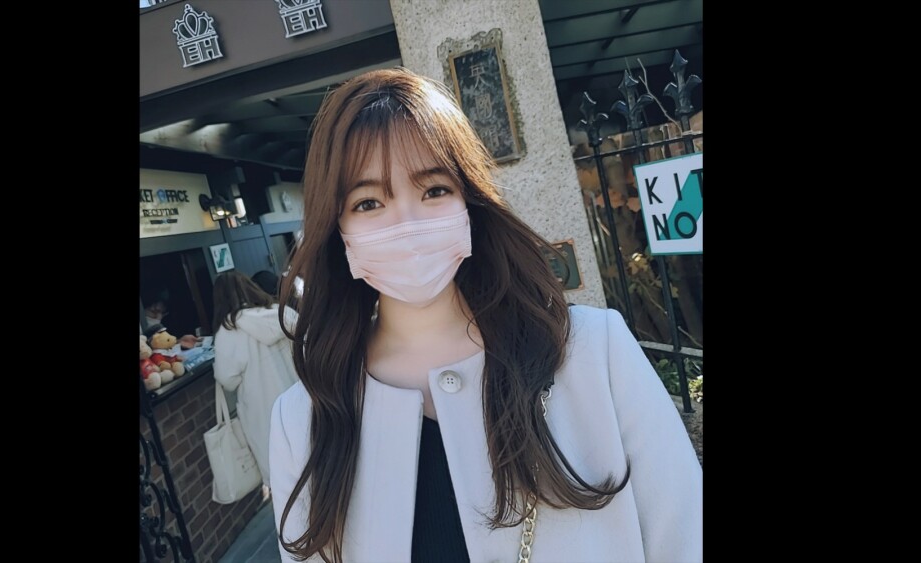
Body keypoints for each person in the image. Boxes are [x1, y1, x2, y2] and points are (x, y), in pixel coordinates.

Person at [269, 67, 702, 562]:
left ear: (469, 202)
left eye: (434, 190)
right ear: (337, 228)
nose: (407, 225)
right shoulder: (302, 419)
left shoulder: (593, 353)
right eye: (368, 202)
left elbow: (686, 537)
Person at [212, 270, 299, 486]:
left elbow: (227, 379)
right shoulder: (281, 313)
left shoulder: (228, 331)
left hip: (264, 415)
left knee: (284, 479)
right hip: (300, 399)